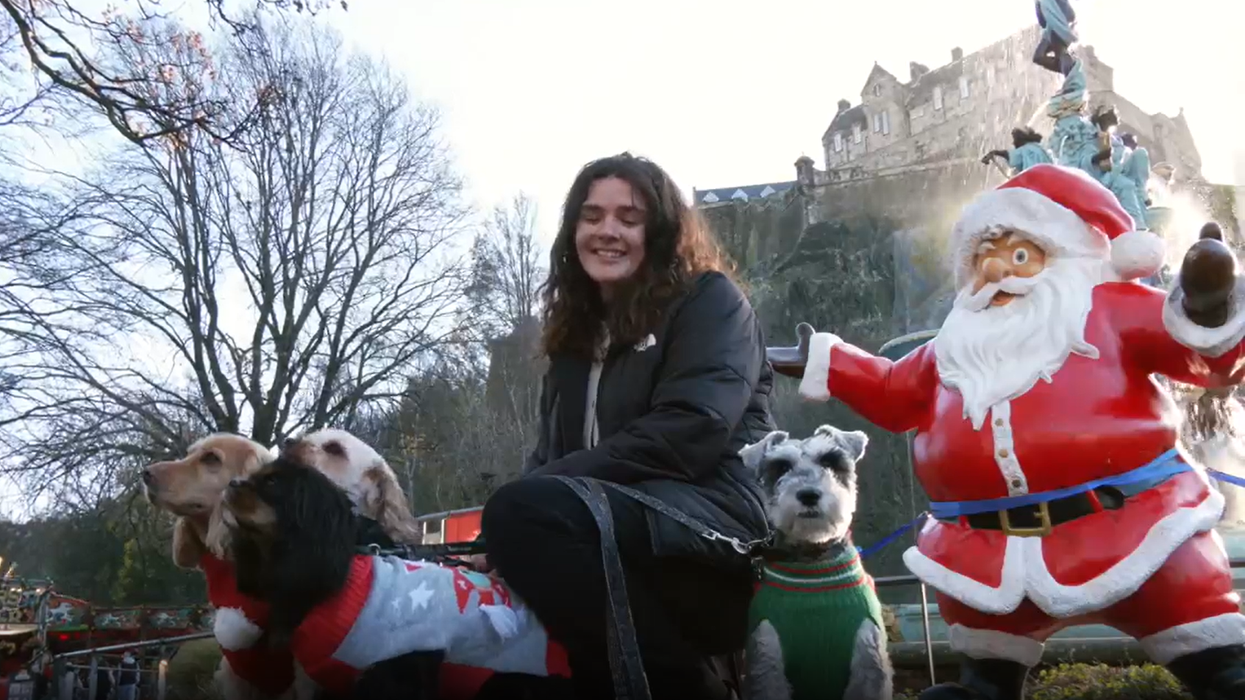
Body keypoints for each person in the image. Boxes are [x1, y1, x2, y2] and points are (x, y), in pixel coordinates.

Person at [480, 152, 775, 700]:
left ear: (658, 233)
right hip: (611, 541)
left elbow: (692, 429)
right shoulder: (574, 344)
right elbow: (547, 457)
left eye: (629, 218)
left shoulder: (710, 301)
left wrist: (528, 503)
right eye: (591, 216)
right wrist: (495, 540)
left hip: (712, 534)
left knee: (519, 510)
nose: (607, 231)